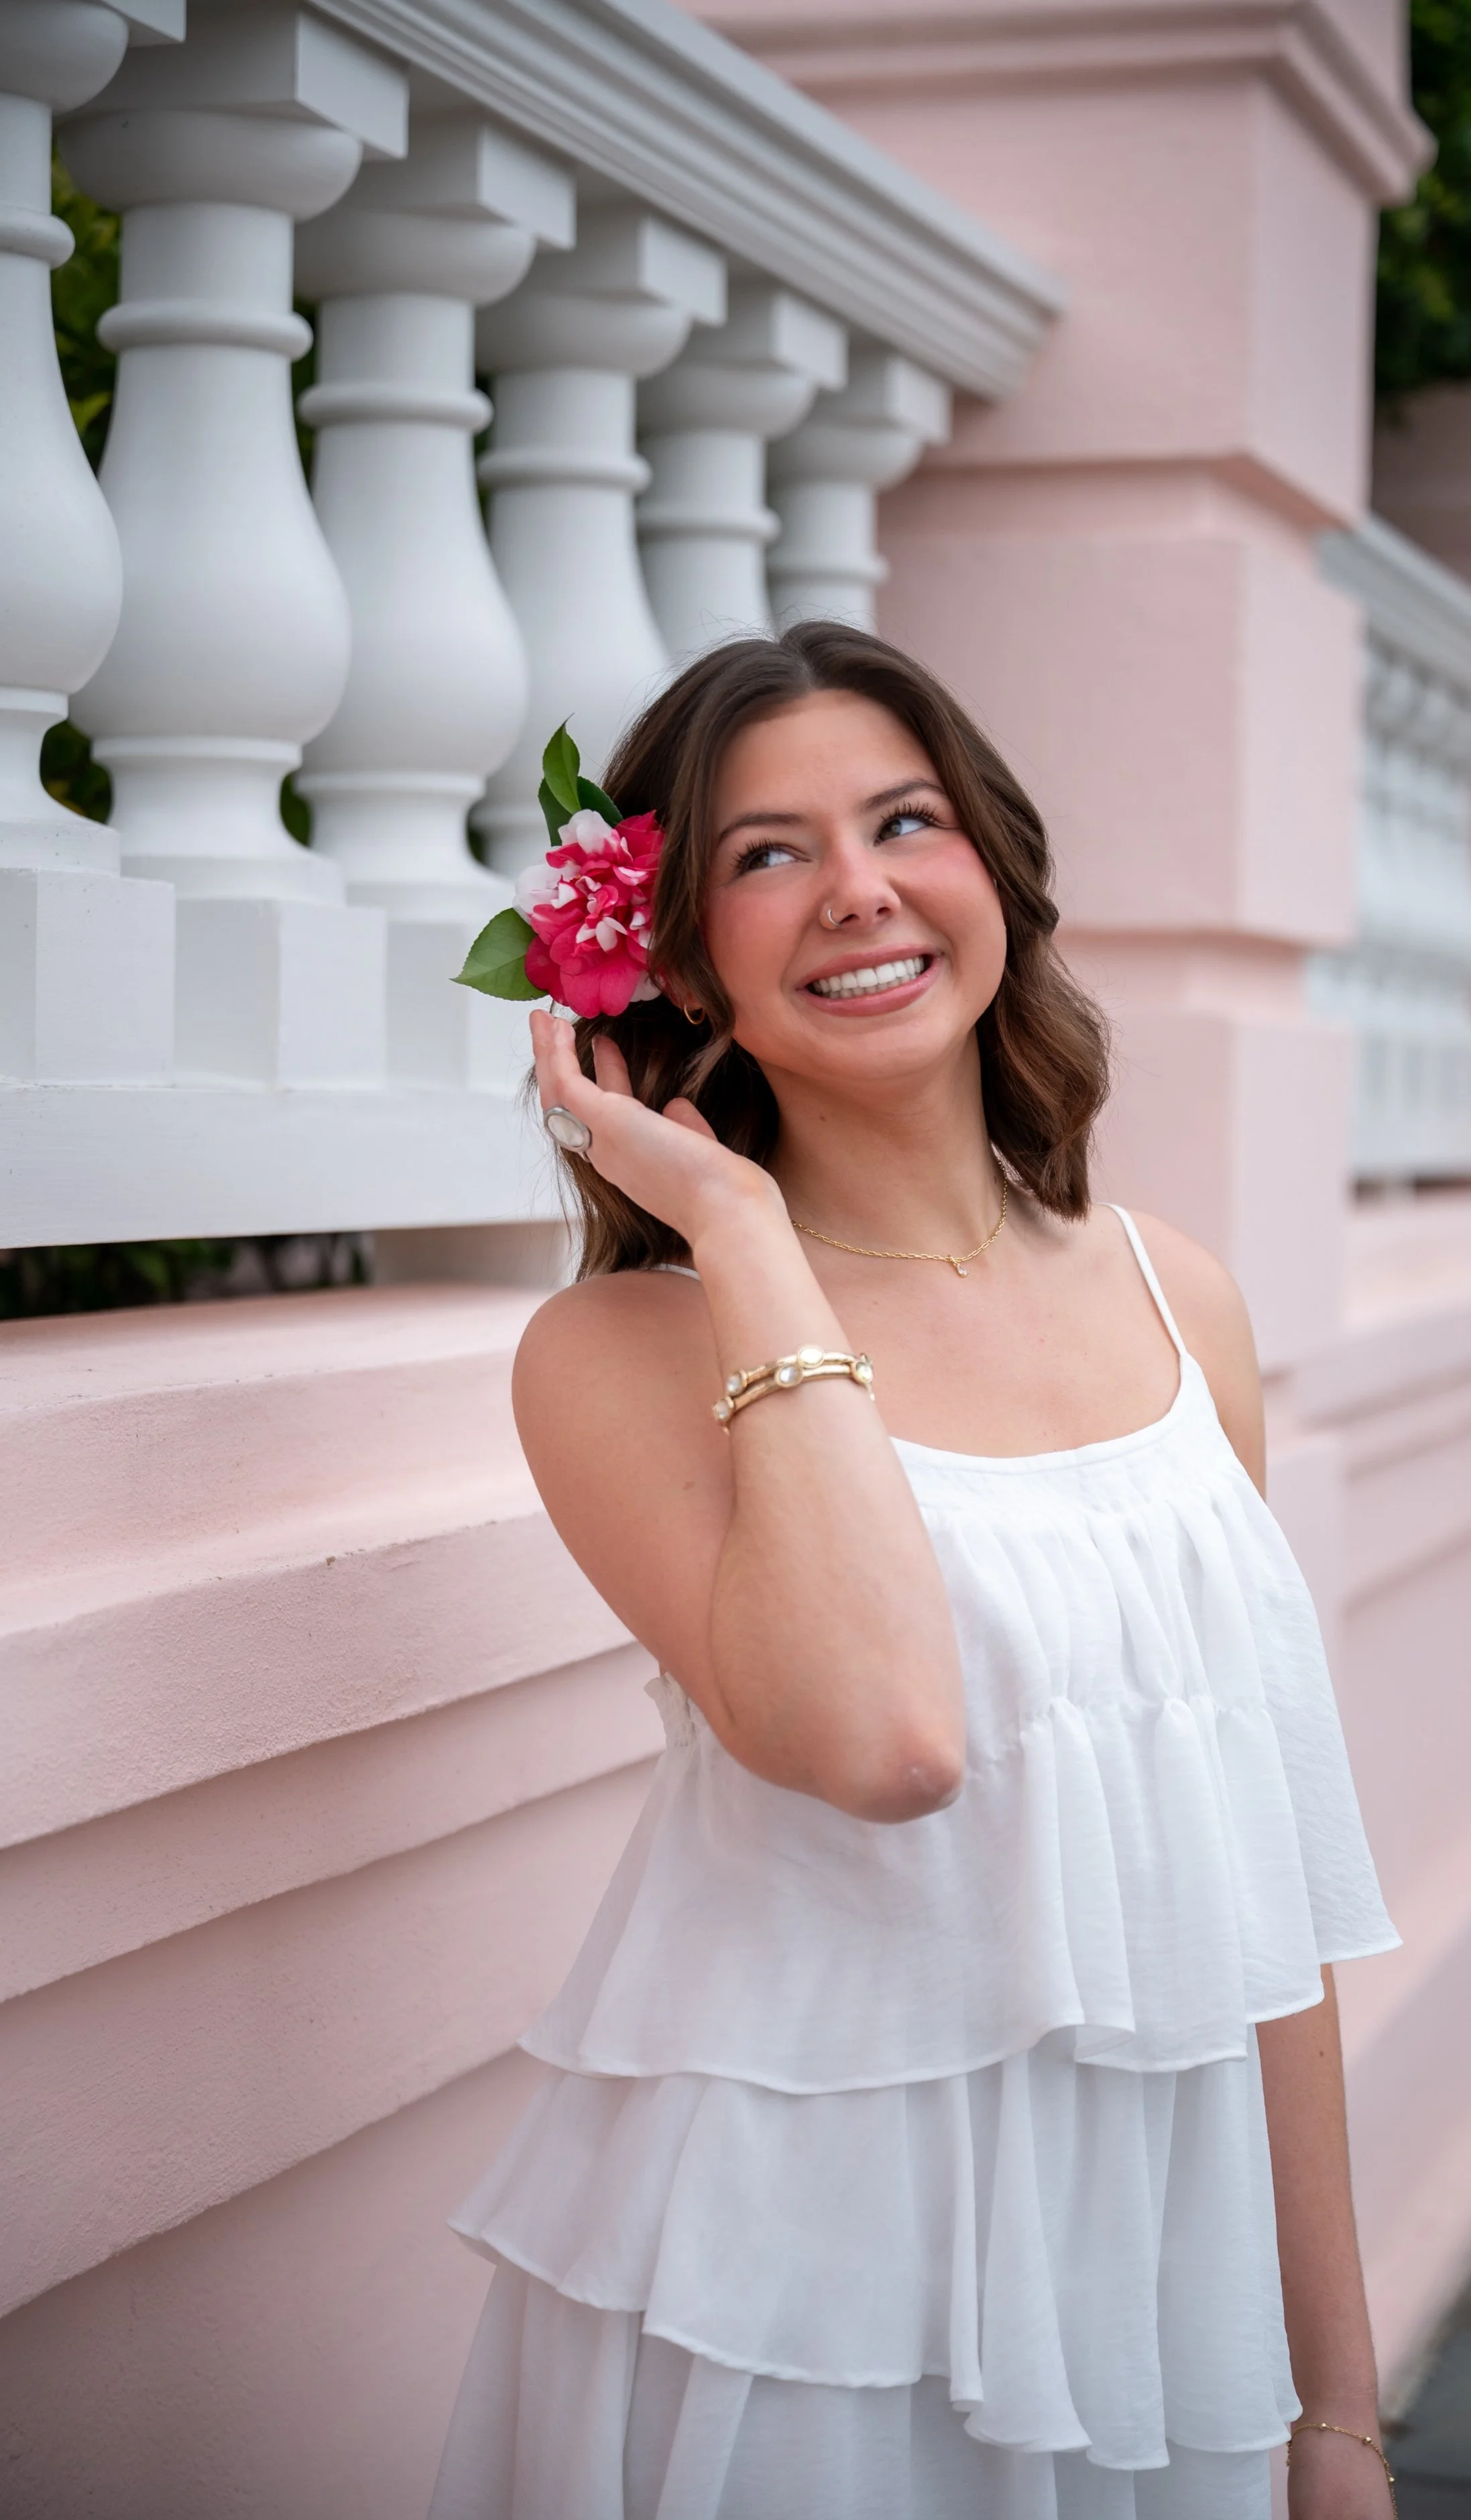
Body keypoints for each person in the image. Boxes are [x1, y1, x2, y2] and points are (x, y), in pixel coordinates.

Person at [428, 622, 1401, 2520]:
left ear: (995, 871)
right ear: (671, 955)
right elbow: (880, 1738)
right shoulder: (616, 1356)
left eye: (904, 819)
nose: (857, 888)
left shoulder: (1177, 1294)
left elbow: (1261, 1899)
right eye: (764, 853)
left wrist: (1336, 2403)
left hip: (1151, 2261)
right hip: (806, 2281)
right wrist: (730, 1218)